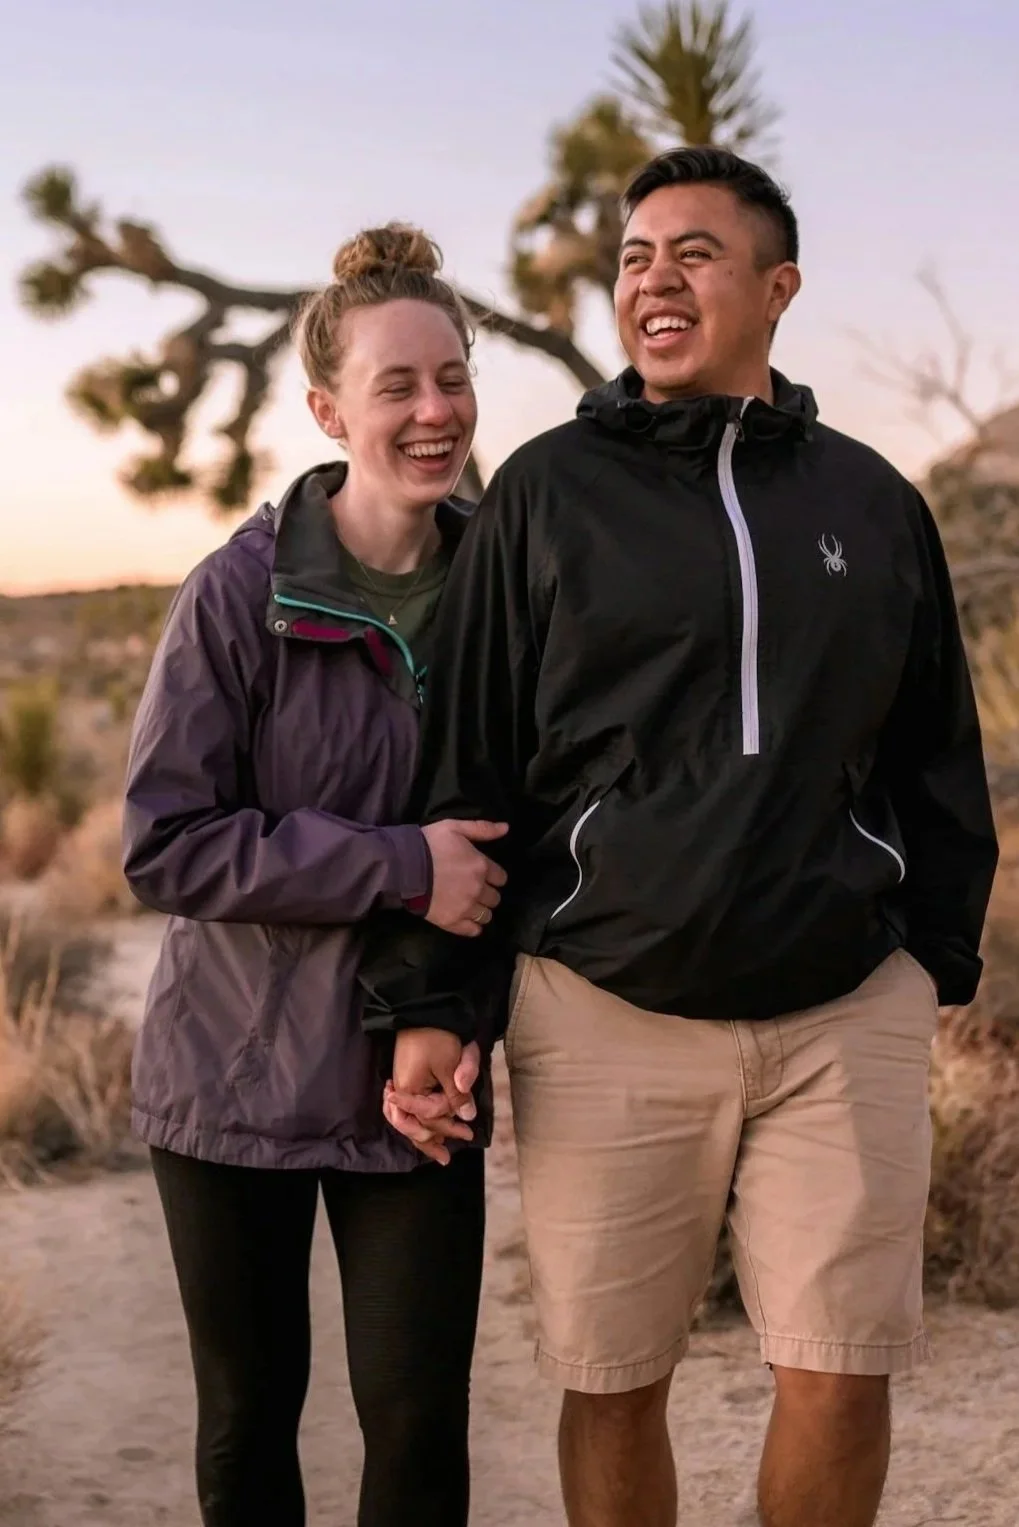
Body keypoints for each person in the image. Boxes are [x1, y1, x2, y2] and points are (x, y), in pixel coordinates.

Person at [366, 149, 999, 1527]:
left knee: (840, 1375)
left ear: (775, 288)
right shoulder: (544, 492)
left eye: (694, 253)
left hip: (839, 1013)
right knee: (612, 1379)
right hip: (603, 1005)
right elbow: (463, 763)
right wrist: (429, 998)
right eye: (636, 255)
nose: (655, 277)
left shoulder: (871, 501)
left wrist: (928, 958)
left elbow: (935, 749)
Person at [121, 223, 508, 1527]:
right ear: (329, 406)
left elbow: (531, 838)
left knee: (415, 1428)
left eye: (450, 376)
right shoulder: (238, 598)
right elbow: (165, 839)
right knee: (249, 1418)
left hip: (415, 1085)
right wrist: (399, 863)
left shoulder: (507, 597)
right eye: (397, 384)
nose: (433, 409)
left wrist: (453, 1019)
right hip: (232, 1068)